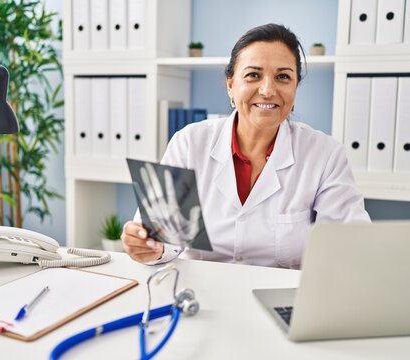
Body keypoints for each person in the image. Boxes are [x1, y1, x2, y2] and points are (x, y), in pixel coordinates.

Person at [122, 23, 370, 269]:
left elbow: (349, 247)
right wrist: (148, 246)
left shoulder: (325, 155)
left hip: (281, 301)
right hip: (200, 296)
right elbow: (162, 239)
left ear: (296, 87)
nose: (268, 90)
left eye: (283, 77)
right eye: (253, 75)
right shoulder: (189, 143)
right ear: (231, 84)